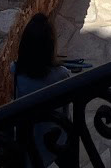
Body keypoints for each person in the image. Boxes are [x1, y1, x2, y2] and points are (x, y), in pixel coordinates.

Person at [11, 14, 71, 166]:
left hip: (31, 139)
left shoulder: (16, 73)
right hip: (56, 134)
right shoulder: (62, 75)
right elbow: (66, 110)